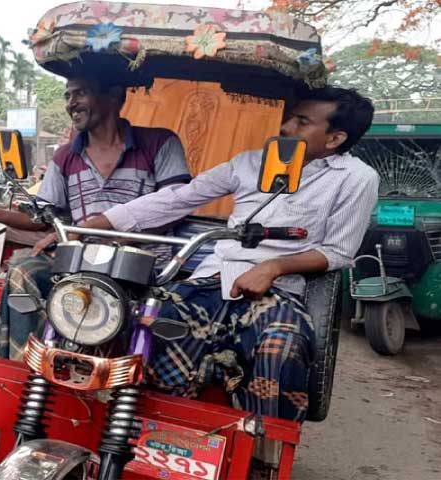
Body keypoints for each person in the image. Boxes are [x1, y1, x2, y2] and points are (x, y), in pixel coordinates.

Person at [77, 86, 380, 422]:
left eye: (301, 122)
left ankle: (263, 451)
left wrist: (273, 267)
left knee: (281, 347)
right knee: (136, 325)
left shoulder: (357, 179)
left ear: (335, 138)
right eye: (289, 118)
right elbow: (179, 198)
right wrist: (97, 223)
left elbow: (337, 251)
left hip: (277, 293)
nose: (286, 128)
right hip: (210, 281)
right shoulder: (248, 162)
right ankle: (135, 432)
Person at [0, 74, 191, 360]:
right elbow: (45, 214)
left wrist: (93, 229)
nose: (71, 103)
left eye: (80, 93)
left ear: (115, 96)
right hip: (80, 264)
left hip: (145, 267)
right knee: (21, 270)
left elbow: (175, 202)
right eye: (68, 96)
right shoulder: (65, 156)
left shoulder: (159, 143)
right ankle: (23, 368)